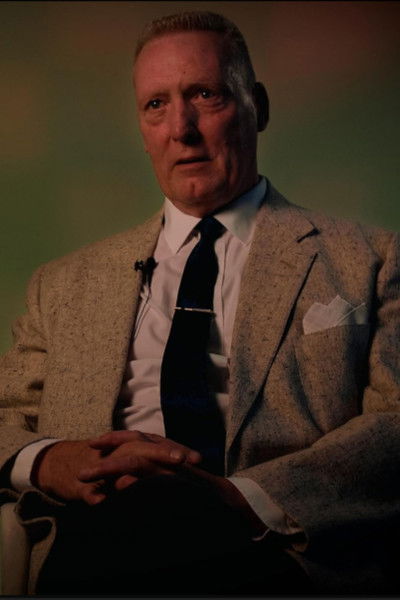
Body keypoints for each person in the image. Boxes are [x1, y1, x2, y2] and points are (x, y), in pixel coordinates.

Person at [1, 10, 400, 595]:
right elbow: (5, 412)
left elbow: (393, 421)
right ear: (142, 129)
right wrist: (51, 460)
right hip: (97, 527)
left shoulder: (373, 259)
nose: (180, 128)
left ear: (257, 106)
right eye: (155, 105)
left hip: (268, 544)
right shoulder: (61, 285)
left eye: (205, 95)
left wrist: (241, 497)